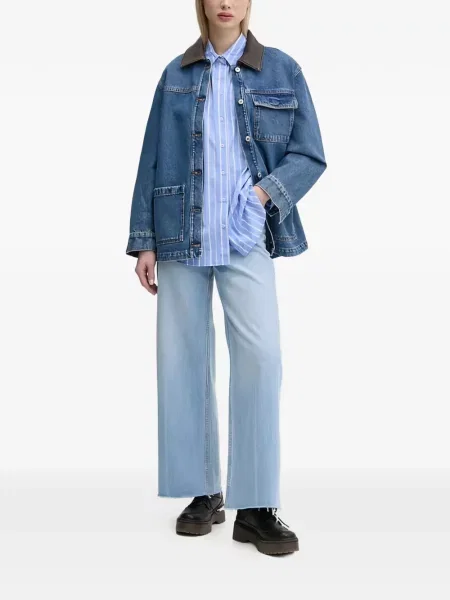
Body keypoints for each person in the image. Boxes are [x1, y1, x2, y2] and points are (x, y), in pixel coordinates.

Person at [126, 0, 326, 556]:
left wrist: (262, 196)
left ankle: (256, 507)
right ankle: (203, 491)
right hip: (179, 234)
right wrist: (144, 239)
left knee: (262, 359)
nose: (225, 2)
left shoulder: (282, 69)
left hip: (245, 237)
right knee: (183, 361)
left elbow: (310, 155)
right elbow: (150, 160)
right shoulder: (175, 74)